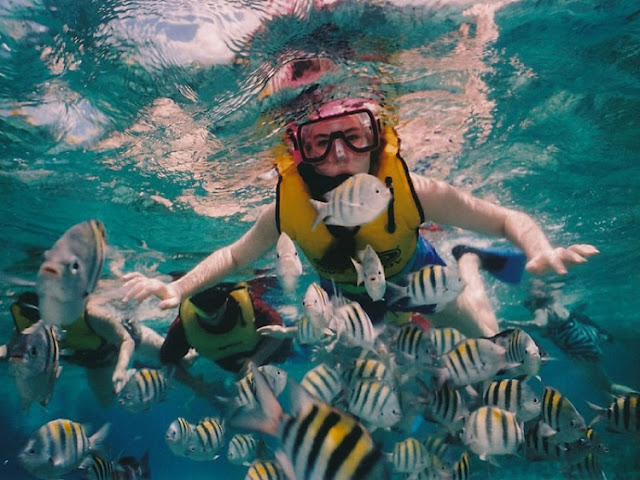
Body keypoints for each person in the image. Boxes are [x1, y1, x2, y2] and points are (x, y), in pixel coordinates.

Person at [121, 87, 598, 339]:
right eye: (319, 142)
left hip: (418, 274)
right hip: (345, 297)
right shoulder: (287, 208)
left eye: (354, 136)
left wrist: (538, 249)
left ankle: (467, 263)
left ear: (377, 140)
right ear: (299, 153)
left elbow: (505, 219)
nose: (339, 154)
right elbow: (234, 256)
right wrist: (178, 288)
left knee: (486, 336)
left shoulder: (415, 191)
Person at [159, 278, 292, 378]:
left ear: (227, 296)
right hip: (235, 369)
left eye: (217, 298)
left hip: (274, 354)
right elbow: (168, 360)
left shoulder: (250, 305)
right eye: (200, 300)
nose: (211, 309)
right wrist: (198, 386)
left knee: (291, 348)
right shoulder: (183, 326)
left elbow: (280, 328)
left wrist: (256, 359)